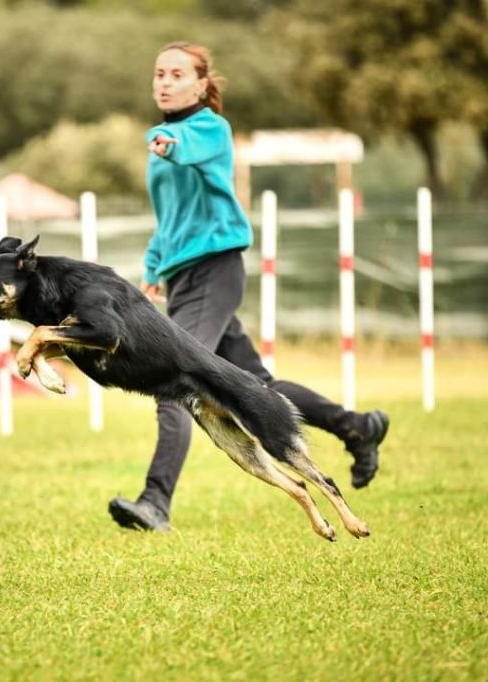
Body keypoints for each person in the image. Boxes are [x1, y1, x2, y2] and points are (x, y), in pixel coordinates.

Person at [108, 42, 390, 533]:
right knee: (255, 388)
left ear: (201, 84)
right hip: (182, 277)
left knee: (177, 384)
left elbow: (189, 148)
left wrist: (166, 141)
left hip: (215, 269)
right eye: (159, 74)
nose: (165, 82)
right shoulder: (163, 146)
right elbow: (171, 217)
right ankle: (356, 427)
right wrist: (154, 264)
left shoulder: (209, 131)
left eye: (177, 74)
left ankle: (155, 502)